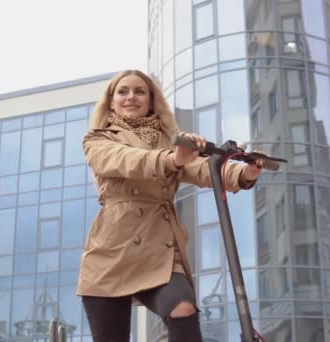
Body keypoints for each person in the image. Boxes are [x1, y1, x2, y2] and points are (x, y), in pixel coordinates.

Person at [77, 70, 265, 341]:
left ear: (152, 101)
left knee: (182, 308)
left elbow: (202, 167)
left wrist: (243, 173)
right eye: (123, 91)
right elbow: (126, 159)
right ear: (111, 101)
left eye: (140, 91)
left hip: (160, 245)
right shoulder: (97, 139)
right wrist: (172, 159)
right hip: (112, 251)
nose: (132, 97)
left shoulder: (171, 141)